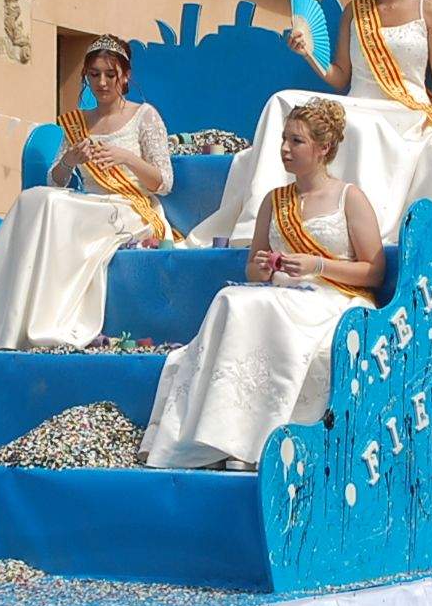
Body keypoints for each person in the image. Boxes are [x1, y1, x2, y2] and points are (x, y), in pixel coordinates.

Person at [190, 0, 432, 246]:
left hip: (405, 112)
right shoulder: (355, 12)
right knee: (282, 100)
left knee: (360, 127)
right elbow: (339, 75)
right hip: (358, 100)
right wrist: (308, 54)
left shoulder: (429, 10)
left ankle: (362, 231)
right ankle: (259, 219)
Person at [143, 100, 382, 469]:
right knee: (232, 298)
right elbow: (255, 269)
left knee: (262, 307)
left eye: (297, 142)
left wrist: (318, 265)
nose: (285, 148)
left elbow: (374, 271)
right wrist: (261, 267)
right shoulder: (275, 200)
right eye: (284, 139)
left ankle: (251, 445)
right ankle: (216, 437)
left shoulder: (350, 198)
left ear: (324, 148)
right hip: (283, 294)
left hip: (335, 299)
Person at [0, 37, 173, 350]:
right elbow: (55, 182)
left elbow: (165, 182)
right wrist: (71, 159)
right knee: (33, 198)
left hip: (131, 207)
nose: (102, 82)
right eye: (94, 74)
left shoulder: (144, 116)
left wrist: (125, 157)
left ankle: (42, 323)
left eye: (110, 74)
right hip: (89, 204)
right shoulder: (78, 123)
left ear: (125, 76)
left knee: (55, 207)